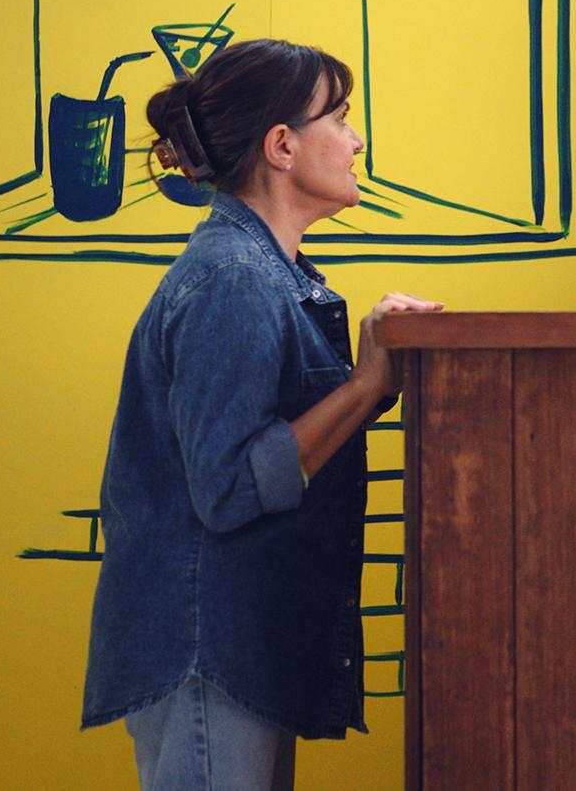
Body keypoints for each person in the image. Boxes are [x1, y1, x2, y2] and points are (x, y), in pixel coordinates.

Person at [81, 38, 442, 788]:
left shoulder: (263, 272)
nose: (356, 138)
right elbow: (232, 486)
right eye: (339, 118)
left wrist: (368, 381)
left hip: (233, 649)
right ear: (282, 145)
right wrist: (362, 385)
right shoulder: (233, 280)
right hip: (207, 655)